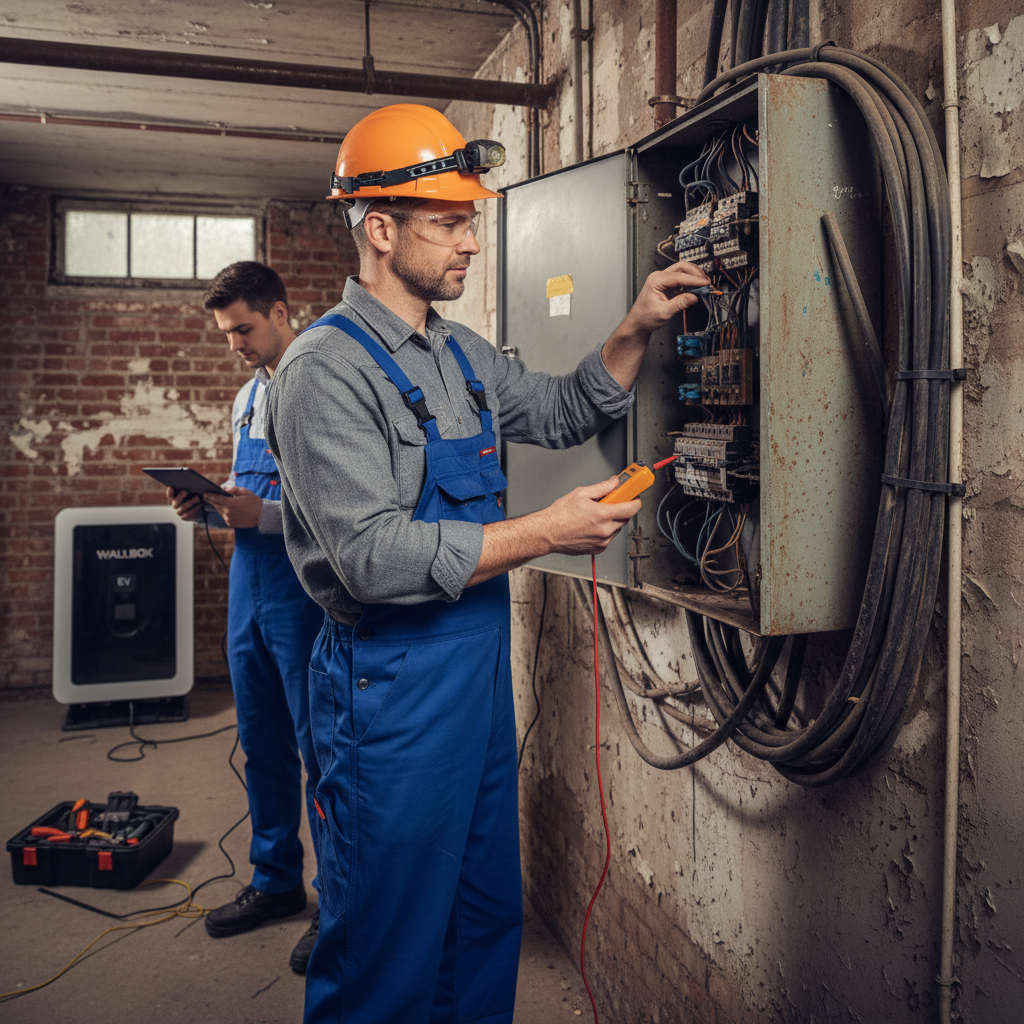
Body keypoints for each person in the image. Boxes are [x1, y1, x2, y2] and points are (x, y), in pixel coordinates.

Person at [264, 104, 710, 1023]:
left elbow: (557, 411)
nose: (472, 241)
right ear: (380, 230)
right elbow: (375, 558)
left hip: (470, 675)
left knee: (478, 920)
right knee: (386, 941)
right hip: (383, 687)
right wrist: (546, 530)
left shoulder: (457, 352)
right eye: (450, 222)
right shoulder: (323, 372)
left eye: (472, 219)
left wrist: (633, 326)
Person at [166, 262, 324, 975]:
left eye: (243, 330)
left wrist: (265, 516)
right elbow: (251, 484)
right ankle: (275, 881)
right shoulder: (245, 395)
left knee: (321, 750)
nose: (234, 345)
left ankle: (341, 903)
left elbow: (348, 515)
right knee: (260, 741)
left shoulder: (322, 388)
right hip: (247, 579)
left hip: (301, 584)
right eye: (226, 333)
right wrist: (212, 499)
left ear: (281, 311)